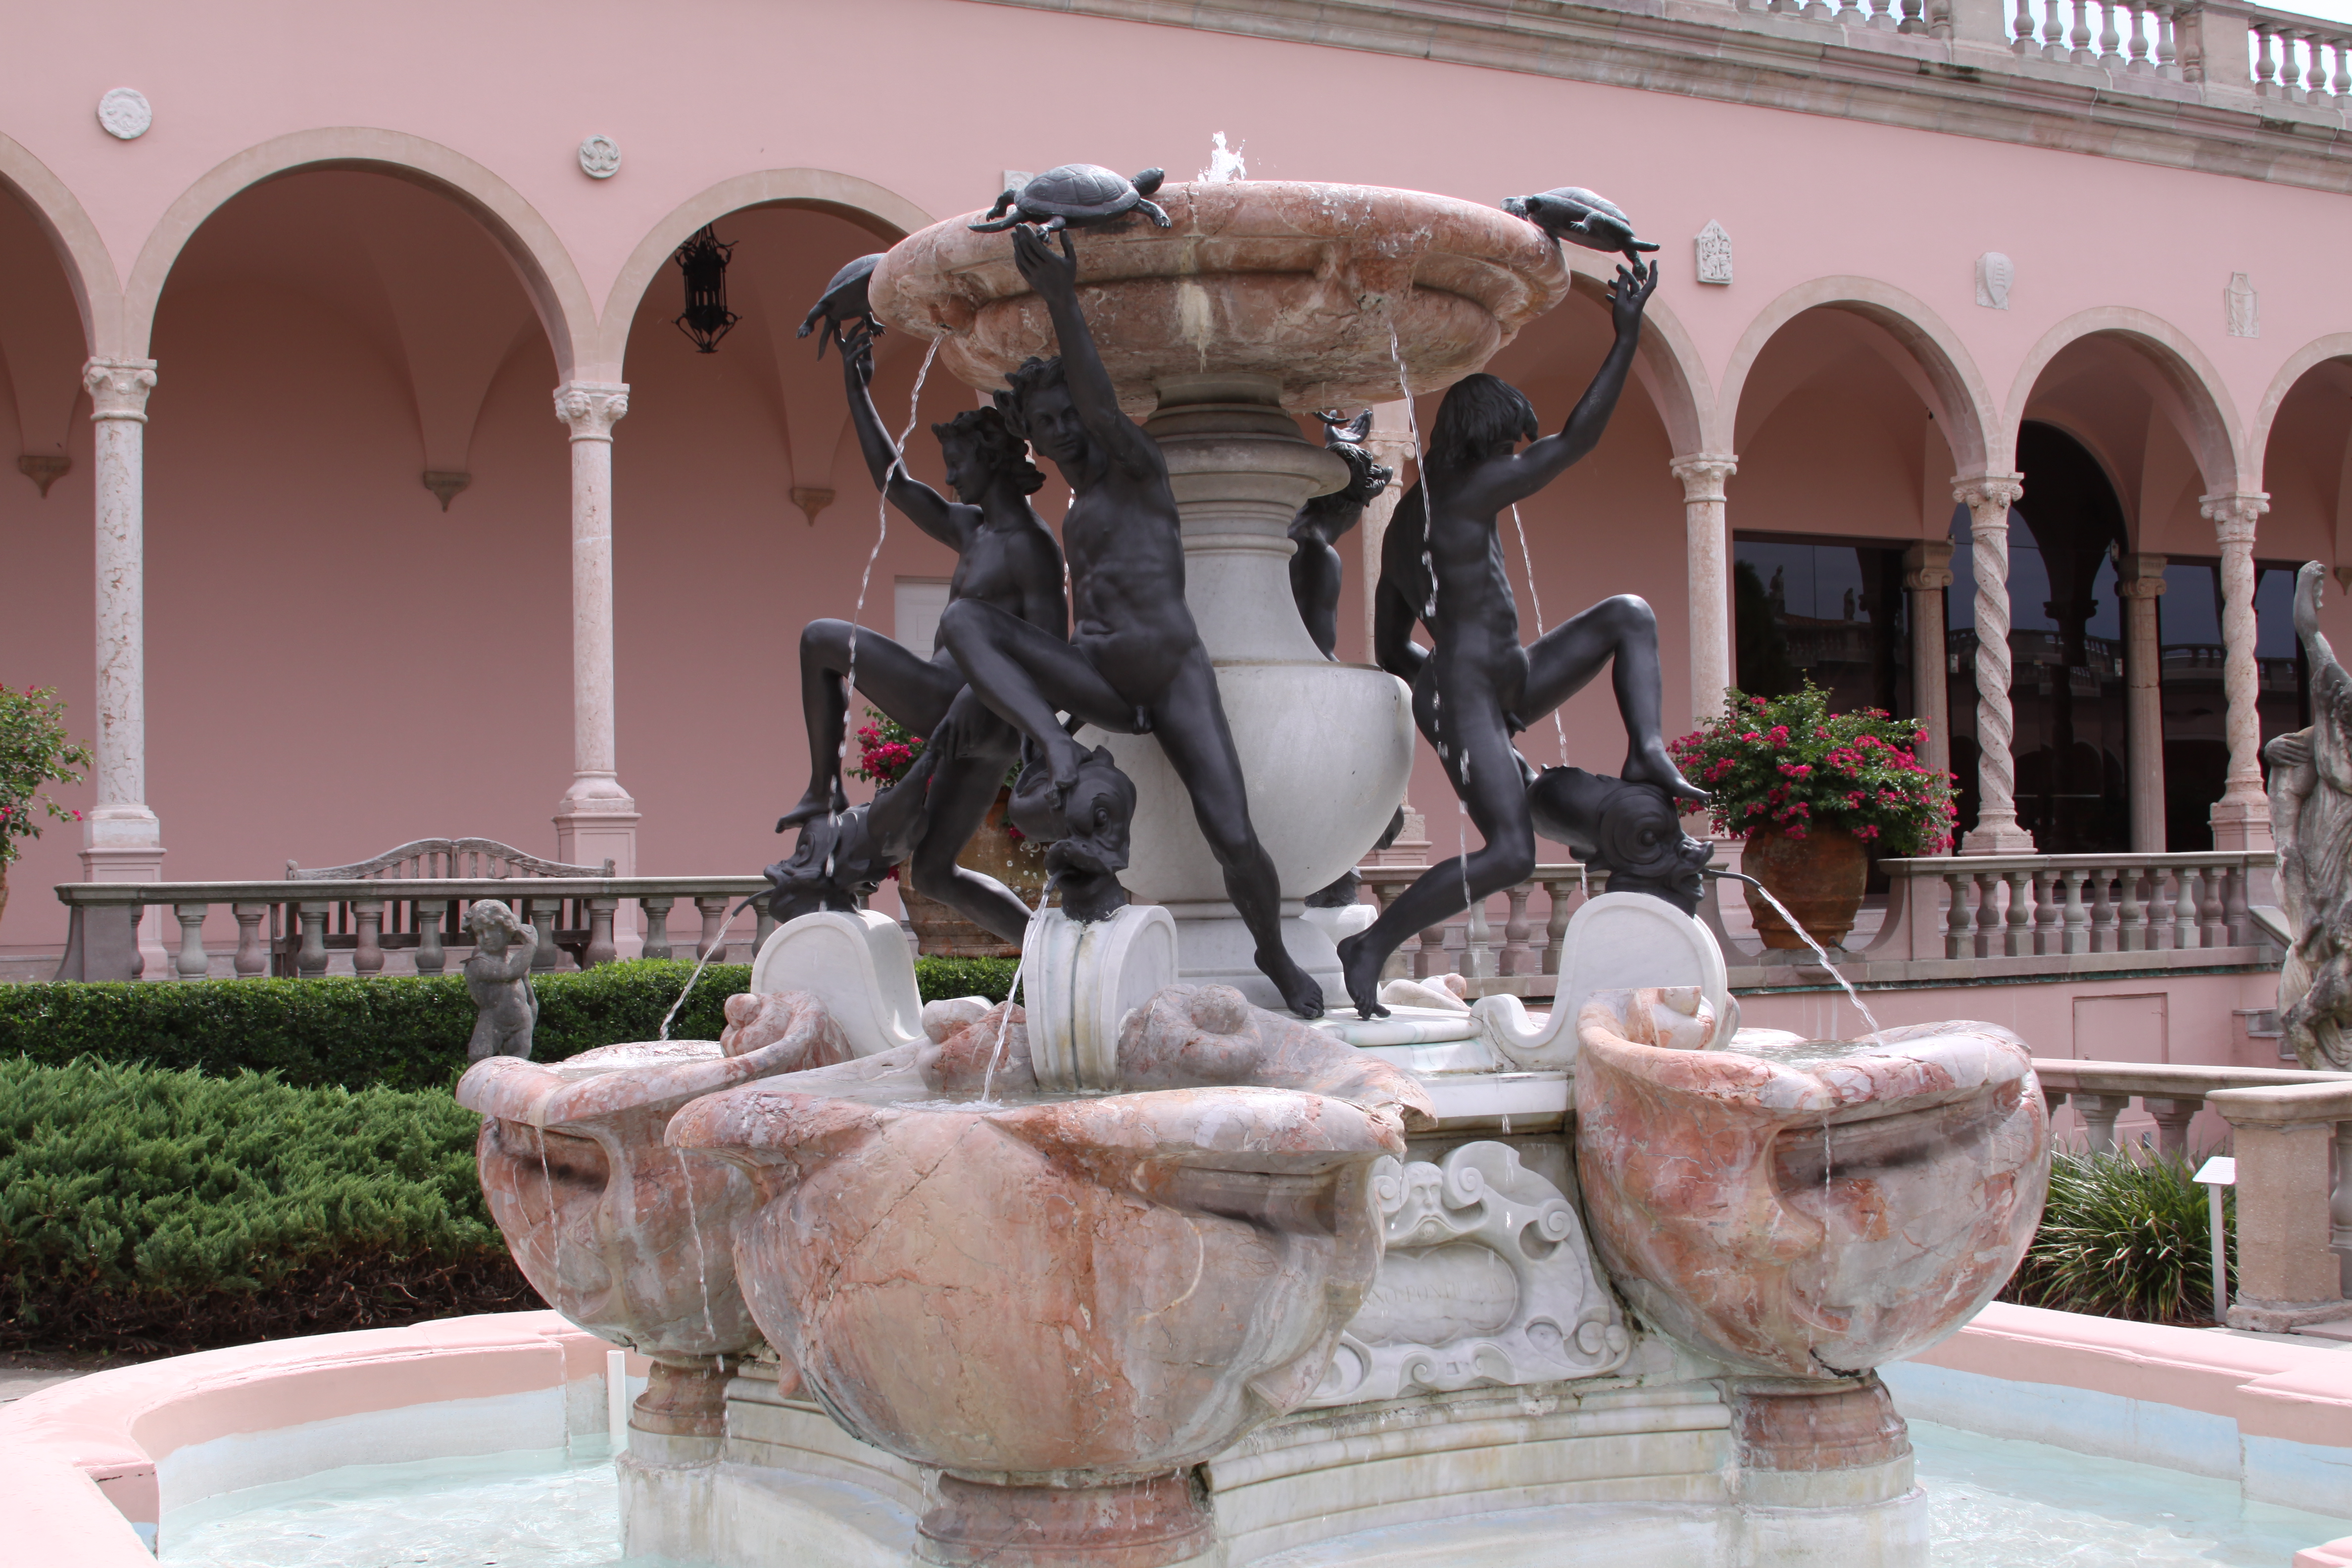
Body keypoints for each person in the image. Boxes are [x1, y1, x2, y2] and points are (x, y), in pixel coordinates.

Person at [938, 224, 1323, 1017]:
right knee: (969, 623)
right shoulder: (1070, 511)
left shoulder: (1137, 469)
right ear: (1034, 438)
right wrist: (1049, 718)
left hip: (1171, 673)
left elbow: (1107, 407)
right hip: (1102, 676)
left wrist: (1059, 298)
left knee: (1232, 831)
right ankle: (1051, 746)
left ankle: (1276, 954)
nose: (1065, 429)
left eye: (1071, 412)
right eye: (1046, 423)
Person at [1335, 255, 1704, 1018]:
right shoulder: (1468, 490)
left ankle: (1648, 751)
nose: (1518, 459)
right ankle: (1368, 946)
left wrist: (1444, 687)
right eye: (1511, 446)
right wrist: (1626, 335)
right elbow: (1577, 440)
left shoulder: (1415, 519)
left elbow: (1387, 647)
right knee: (1510, 854)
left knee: (1629, 614)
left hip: (1491, 679)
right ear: (1485, 443)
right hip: (1480, 685)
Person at [777, 323, 1066, 944]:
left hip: (963, 706)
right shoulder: (976, 530)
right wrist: (858, 393)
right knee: (934, 871)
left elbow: (1051, 654)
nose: (952, 479)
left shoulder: (1032, 548)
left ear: (990, 463)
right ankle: (1049, 957)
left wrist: (975, 696)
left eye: (958, 465)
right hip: (972, 723)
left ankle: (819, 790)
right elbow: (897, 485)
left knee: (822, 639)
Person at [1287, 411, 1393, 659]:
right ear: (1356, 507)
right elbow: (1319, 655)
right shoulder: (1318, 555)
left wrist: (1340, 447)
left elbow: (1334, 482)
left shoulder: (1292, 524)